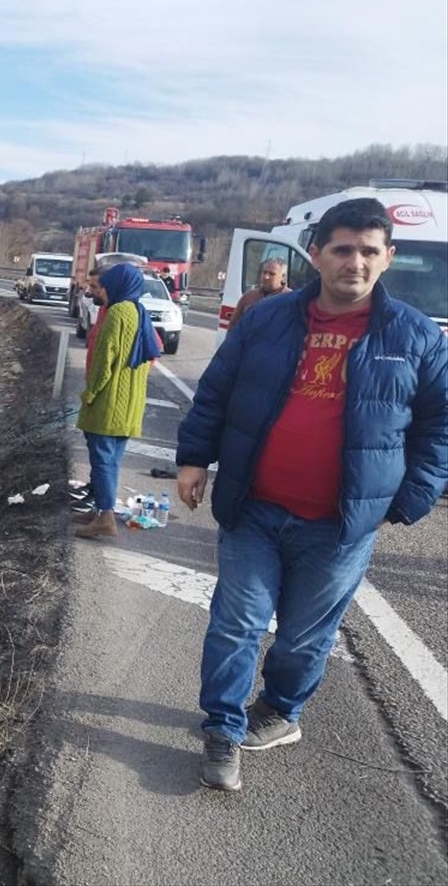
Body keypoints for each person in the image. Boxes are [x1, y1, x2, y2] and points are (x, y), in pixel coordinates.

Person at [175, 197, 447, 793]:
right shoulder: (265, 320)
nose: (355, 262)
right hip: (254, 506)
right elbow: (217, 392)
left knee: (303, 637)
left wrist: (412, 496)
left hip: (339, 525)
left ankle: (278, 711)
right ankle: (222, 728)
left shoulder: (417, 337)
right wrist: (194, 458)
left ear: (388, 258)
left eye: (369, 251)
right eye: (343, 249)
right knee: (236, 622)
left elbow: (439, 426)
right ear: (317, 254)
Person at [73, 264, 161, 537]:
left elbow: (103, 363)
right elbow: (151, 354)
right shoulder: (138, 311)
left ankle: (106, 516)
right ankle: (100, 509)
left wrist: (90, 394)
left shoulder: (116, 314)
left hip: (109, 403)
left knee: (102, 461)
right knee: (112, 460)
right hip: (131, 404)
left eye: (104, 285)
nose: (100, 290)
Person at [226, 257, 290, 331]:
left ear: (282, 276)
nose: (266, 277)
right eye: (264, 272)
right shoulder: (249, 297)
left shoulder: (290, 300)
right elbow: (233, 325)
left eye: (272, 274)